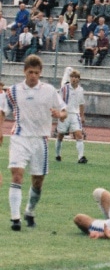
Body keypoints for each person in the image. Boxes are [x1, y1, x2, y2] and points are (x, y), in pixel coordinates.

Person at [0, 54, 67, 231]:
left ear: (40, 73)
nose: (33, 76)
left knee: (37, 182)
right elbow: (2, 110)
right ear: (24, 72)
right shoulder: (13, 91)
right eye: (30, 72)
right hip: (20, 137)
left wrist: (59, 115)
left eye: (36, 73)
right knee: (17, 175)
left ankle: (29, 210)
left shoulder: (49, 90)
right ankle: (15, 219)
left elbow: (64, 111)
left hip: (40, 140)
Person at [55, 69, 87, 163]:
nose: (74, 79)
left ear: (78, 79)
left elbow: (81, 103)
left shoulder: (80, 90)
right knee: (60, 135)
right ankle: (57, 154)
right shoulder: (64, 88)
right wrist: (60, 113)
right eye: (72, 77)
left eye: (76, 77)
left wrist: (82, 115)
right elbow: (59, 101)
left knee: (79, 135)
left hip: (75, 115)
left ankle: (81, 157)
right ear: (70, 78)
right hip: (65, 114)